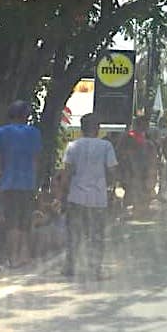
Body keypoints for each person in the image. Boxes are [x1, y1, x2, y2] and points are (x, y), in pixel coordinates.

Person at [0, 100, 42, 267]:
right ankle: (25, 256)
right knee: (25, 222)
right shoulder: (34, 133)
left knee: (12, 222)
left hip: (8, 183)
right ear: (27, 115)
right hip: (28, 183)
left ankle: (13, 258)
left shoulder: (1, 133)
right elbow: (37, 159)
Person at [62, 114, 118, 278]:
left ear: (81, 129)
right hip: (98, 198)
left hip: (76, 196)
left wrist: (64, 193)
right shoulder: (106, 146)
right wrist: (112, 189)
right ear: (98, 129)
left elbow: (67, 172)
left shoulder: (73, 146)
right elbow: (112, 170)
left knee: (74, 234)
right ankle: (95, 269)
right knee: (96, 235)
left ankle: (70, 267)